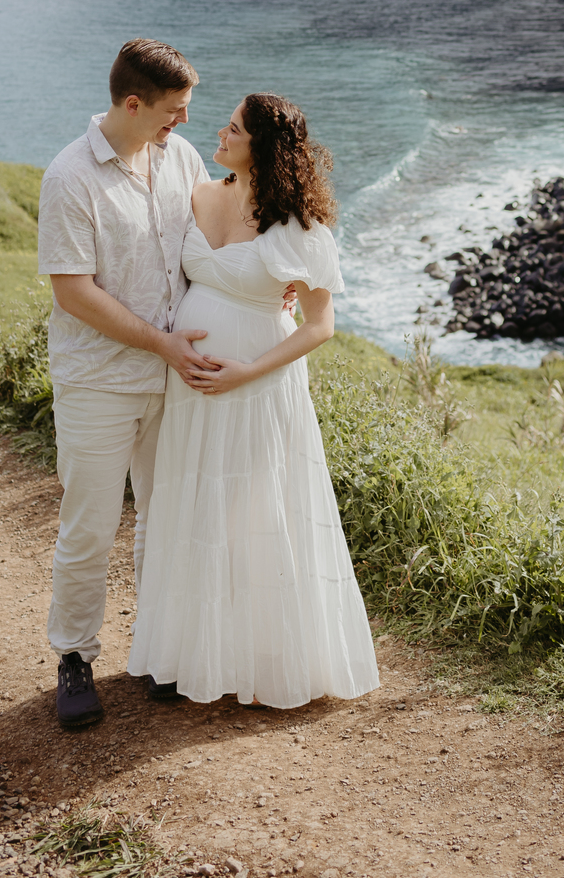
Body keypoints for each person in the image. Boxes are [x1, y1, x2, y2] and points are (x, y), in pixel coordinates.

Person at [129, 93, 380, 709]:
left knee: (254, 509)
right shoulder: (196, 194)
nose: (220, 130)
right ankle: (183, 655)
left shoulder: (300, 229)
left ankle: (267, 656)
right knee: (188, 503)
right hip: (189, 384)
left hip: (258, 383)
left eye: (233, 127)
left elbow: (319, 326)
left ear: (260, 146)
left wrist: (246, 373)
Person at [38, 37, 220, 730]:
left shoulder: (181, 158)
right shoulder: (71, 176)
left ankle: (155, 648)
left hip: (173, 379)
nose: (183, 122)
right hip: (99, 382)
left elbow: (205, 249)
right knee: (89, 528)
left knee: (163, 520)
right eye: (174, 110)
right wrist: (161, 344)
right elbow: (73, 293)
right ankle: (75, 658)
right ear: (134, 103)